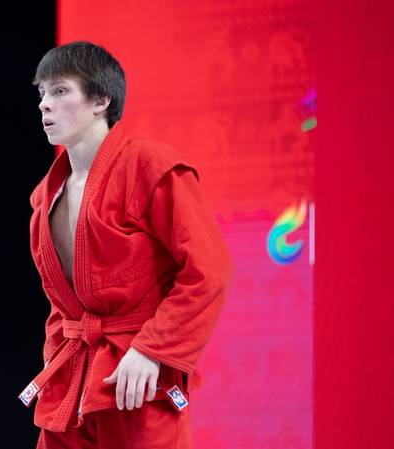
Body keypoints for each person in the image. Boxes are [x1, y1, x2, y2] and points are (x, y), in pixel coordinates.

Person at [20, 41, 234, 449]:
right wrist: (54, 355)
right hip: (72, 380)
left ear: (101, 100)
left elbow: (210, 269)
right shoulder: (44, 196)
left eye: (60, 91)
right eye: (42, 93)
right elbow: (61, 304)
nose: (44, 104)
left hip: (137, 376)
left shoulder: (153, 167)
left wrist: (154, 350)